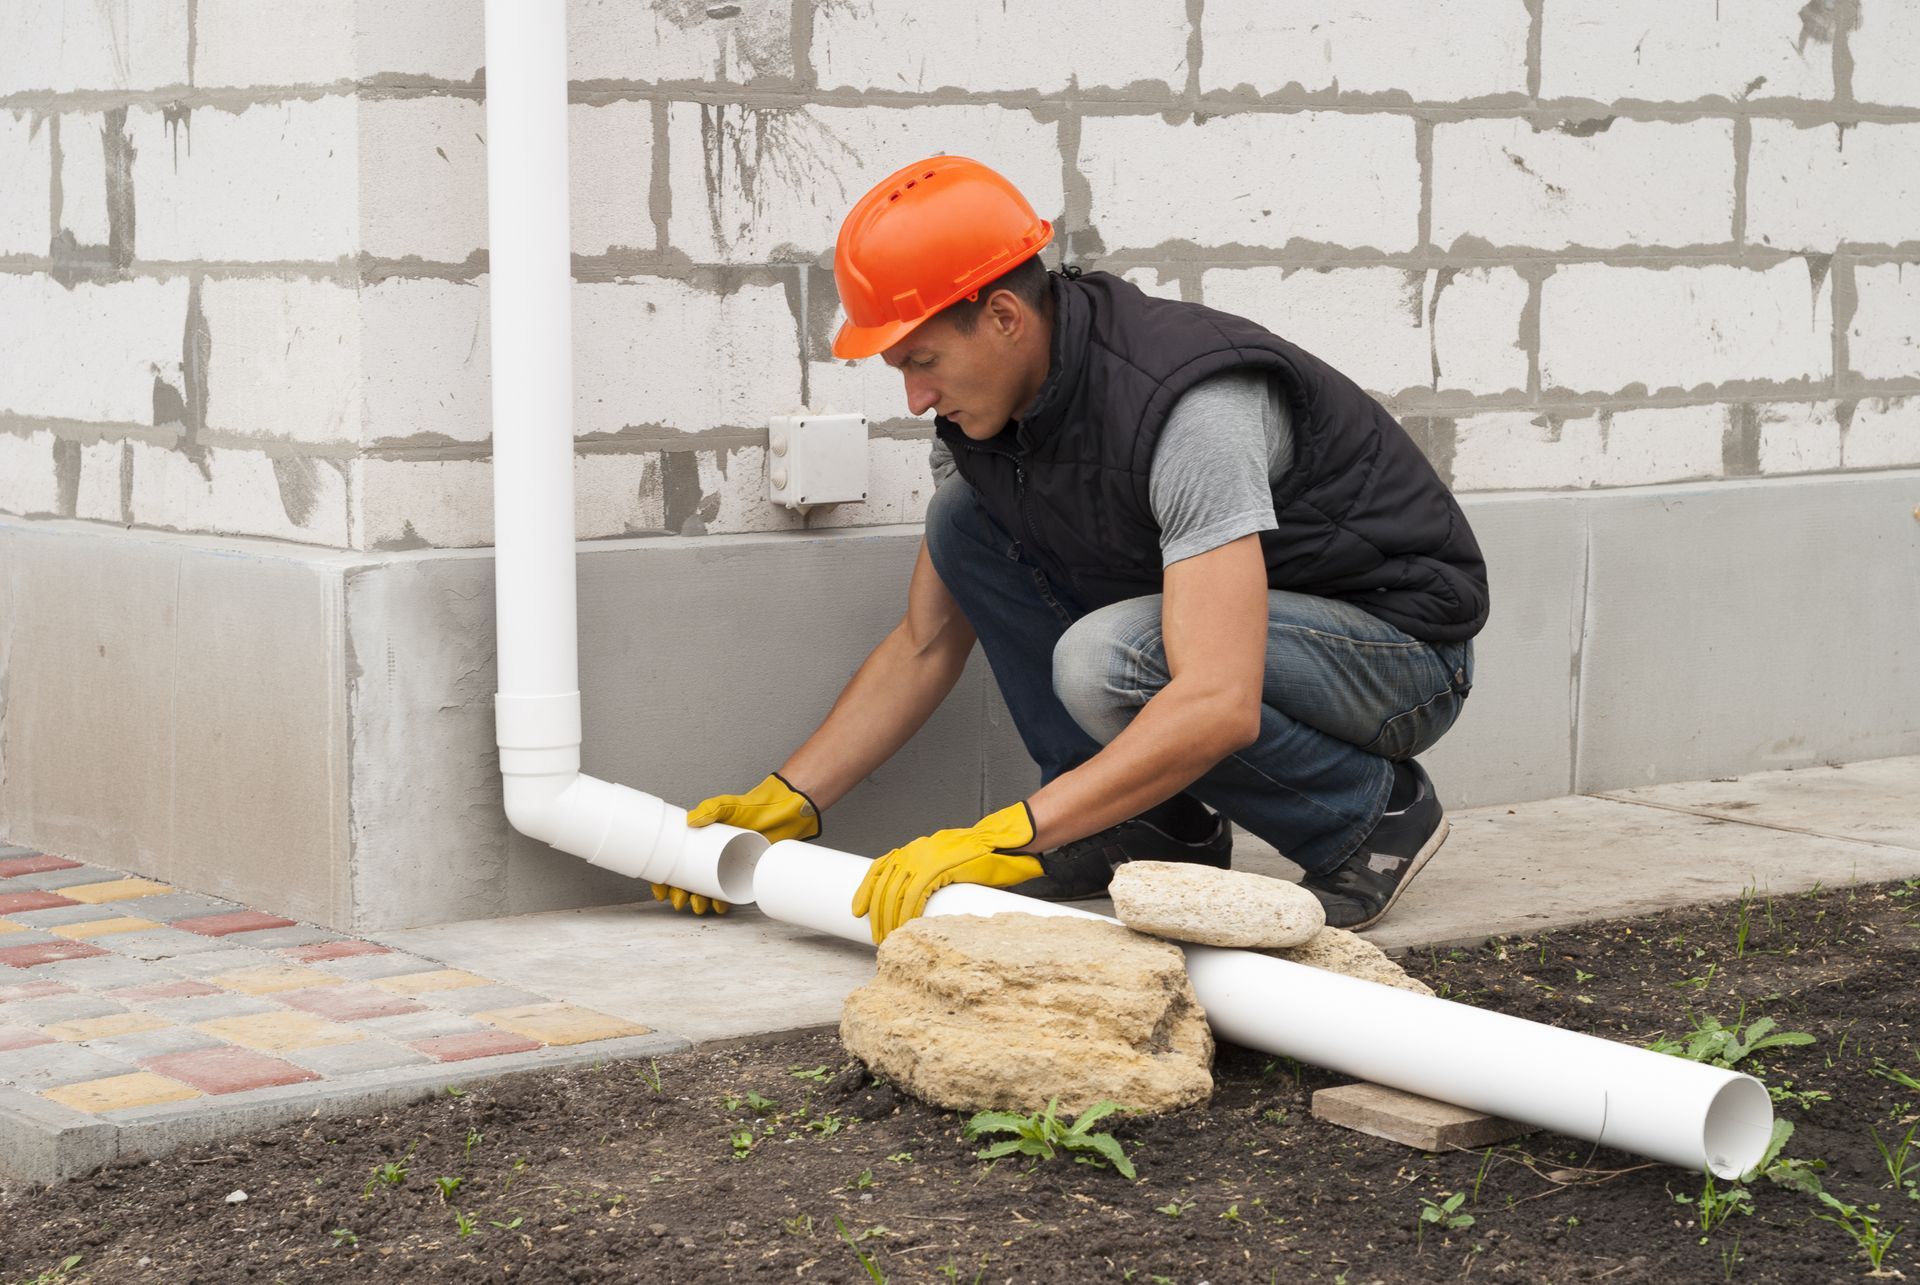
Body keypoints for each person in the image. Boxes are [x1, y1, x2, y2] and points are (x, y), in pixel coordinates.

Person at [657, 155, 1488, 943]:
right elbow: (926, 642)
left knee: (1108, 658)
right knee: (963, 524)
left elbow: (1217, 698)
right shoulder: (982, 424)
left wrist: (1018, 829)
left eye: (923, 360)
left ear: (1005, 317)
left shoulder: (1190, 409)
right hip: (1268, 635)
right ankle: (1150, 823)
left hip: (1400, 652)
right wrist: (792, 798)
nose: (913, 399)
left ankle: (1367, 816)